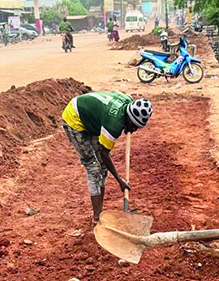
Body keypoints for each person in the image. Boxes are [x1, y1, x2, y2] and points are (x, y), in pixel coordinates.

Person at [62, 92, 153, 223]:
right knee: (94, 168)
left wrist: (128, 126)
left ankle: (100, 211)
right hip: (75, 118)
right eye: (133, 126)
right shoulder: (113, 125)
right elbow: (104, 153)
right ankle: (97, 217)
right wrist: (119, 180)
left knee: (103, 169)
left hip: (93, 120)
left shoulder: (128, 101)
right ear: (128, 117)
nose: (133, 131)